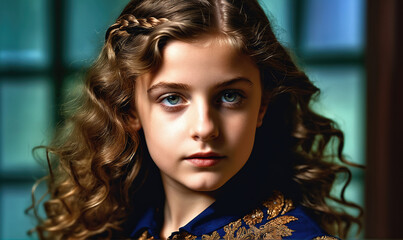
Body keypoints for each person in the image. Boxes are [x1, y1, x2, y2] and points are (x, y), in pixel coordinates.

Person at [28, 0, 363, 239]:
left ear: (262, 106)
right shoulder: (119, 226)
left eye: (230, 96)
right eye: (172, 98)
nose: (205, 128)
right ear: (129, 110)